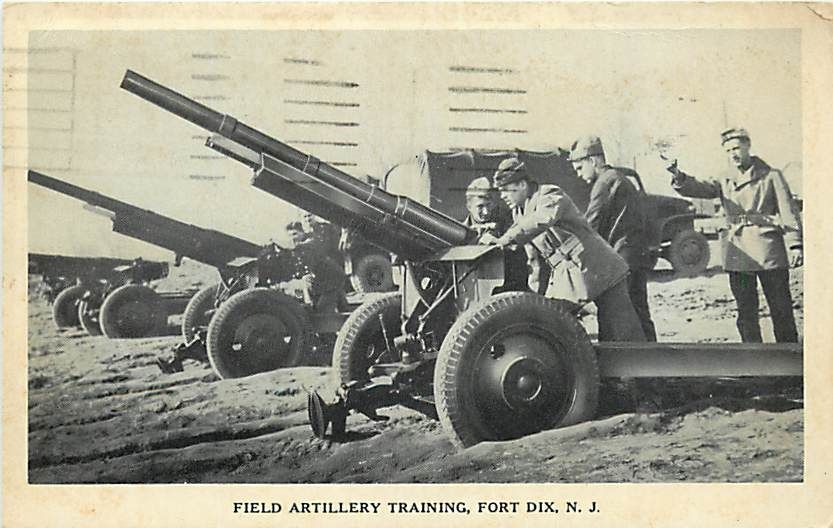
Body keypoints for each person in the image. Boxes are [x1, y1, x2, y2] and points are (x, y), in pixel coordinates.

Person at [480, 157, 646, 342]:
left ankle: (648, 368)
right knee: (552, 322)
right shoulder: (519, 212)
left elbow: (539, 221)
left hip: (600, 269)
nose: (502, 196)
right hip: (569, 274)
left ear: (522, 184)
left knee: (623, 336)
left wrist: (504, 240)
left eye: (506, 190)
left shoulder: (549, 195)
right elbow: (532, 256)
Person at [667, 127, 802, 342]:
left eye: (737, 148)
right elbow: (700, 188)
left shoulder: (771, 176)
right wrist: (678, 176)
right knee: (746, 313)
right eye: (729, 150)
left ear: (748, 146)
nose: (734, 154)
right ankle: (753, 361)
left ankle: (788, 361)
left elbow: (789, 211)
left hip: (768, 251)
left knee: (781, 310)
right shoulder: (724, 178)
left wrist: (795, 244)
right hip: (738, 253)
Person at [569, 135, 657, 341]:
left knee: (613, 315)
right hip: (634, 255)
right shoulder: (618, 178)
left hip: (621, 260)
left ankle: (615, 367)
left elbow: (590, 224)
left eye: (580, 168)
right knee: (639, 312)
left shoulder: (605, 182)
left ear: (594, 160)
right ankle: (654, 363)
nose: (579, 175)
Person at [462, 176, 527, 292]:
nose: (486, 212)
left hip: (508, 291)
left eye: (489, 205)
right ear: (469, 206)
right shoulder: (460, 233)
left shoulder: (509, 225)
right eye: (480, 206)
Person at [284, 220, 346, 313]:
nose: (292, 238)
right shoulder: (299, 249)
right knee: (342, 308)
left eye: (295, 234)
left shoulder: (310, 242)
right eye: (289, 235)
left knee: (323, 311)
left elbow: (306, 249)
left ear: (302, 233)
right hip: (325, 280)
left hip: (332, 279)